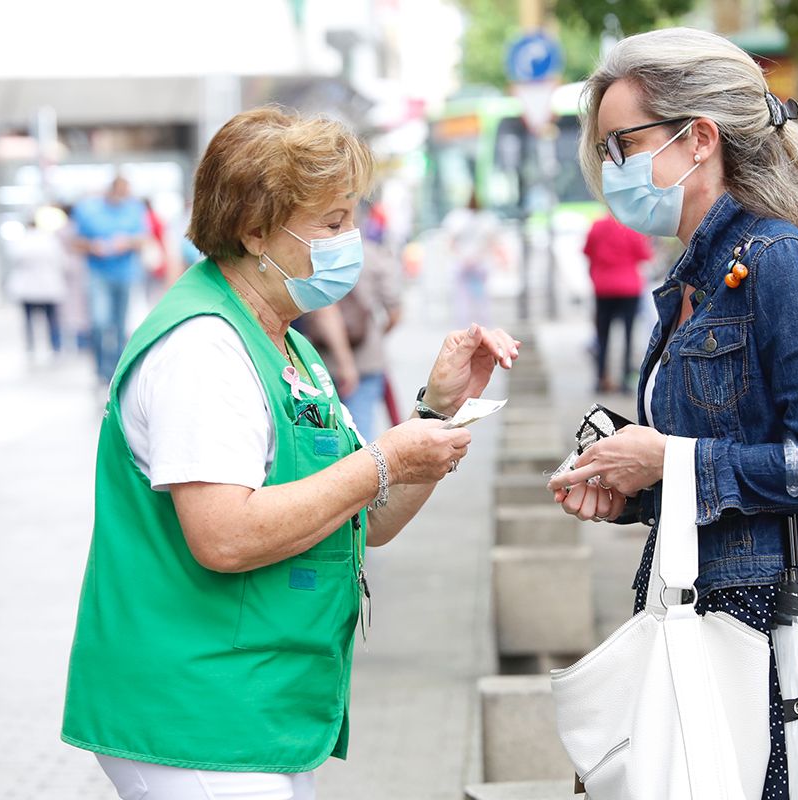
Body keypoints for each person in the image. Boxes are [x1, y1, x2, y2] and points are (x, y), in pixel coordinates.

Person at [61, 106, 519, 800]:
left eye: (351, 217)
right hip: (197, 711)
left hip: (257, 704)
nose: (351, 239)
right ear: (253, 229)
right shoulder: (204, 349)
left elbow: (369, 517)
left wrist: (434, 414)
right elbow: (223, 535)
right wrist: (382, 461)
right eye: (331, 222)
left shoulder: (286, 342)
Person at [547, 28, 798, 798]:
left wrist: (669, 461)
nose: (614, 171)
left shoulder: (779, 262)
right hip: (692, 615)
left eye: (623, 144)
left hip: (770, 637)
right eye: (605, 151)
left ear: (698, 138)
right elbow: (724, 455)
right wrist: (625, 485)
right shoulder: (692, 282)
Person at [305, 205, 403, 441]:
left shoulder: (314, 254)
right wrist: (376, 334)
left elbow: (321, 310)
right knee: (360, 438)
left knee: (326, 439)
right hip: (366, 361)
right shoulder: (373, 255)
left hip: (319, 362)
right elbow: (395, 311)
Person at [71, 176, 147, 385]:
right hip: (98, 274)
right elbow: (74, 242)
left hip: (125, 274)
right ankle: (101, 368)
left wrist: (128, 242)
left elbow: (144, 239)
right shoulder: (89, 211)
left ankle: (116, 371)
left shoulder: (134, 209)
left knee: (120, 326)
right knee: (99, 322)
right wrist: (93, 246)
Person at [583, 211, 653, 394]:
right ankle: (625, 381)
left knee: (602, 336)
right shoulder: (632, 227)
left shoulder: (597, 226)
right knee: (628, 336)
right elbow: (644, 255)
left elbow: (587, 252)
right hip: (629, 288)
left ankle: (600, 379)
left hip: (603, 288)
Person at [5, 214, 69, 360]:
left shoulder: (21, 242)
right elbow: (62, 262)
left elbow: (14, 259)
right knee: (51, 320)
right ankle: (55, 346)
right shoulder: (50, 241)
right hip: (48, 286)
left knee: (29, 320)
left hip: (27, 288)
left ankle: (31, 347)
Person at [442, 192, 502, 327]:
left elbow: (450, 243)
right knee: (481, 299)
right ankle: (482, 328)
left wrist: (463, 257)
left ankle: (466, 329)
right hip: (478, 263)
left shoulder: (456, 218)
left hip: (463, 264)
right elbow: (492, 242)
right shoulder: (487, 219)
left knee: (462, 300)